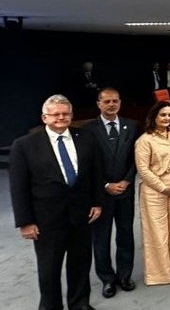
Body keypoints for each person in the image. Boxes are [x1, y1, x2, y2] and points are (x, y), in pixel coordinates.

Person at [10, 94, 102, 310]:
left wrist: (97, 202)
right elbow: (18, 186)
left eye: (65, 113)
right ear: (45, 117)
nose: (61, 117)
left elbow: (95, 174)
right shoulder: (25, 145)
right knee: (49, 269)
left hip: (81, 215)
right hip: (46, 220)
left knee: (80, 264)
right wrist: (25, 222)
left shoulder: (86, 137)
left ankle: (80, 304)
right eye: (56, 114)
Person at [85, 88, 139, 298]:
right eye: (106, 101)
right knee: (101, 238)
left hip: (125, 191)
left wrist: (126, 180)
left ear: (120, 102)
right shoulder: (88, 130)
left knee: (126, 234)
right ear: (98, 104)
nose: (111, 105)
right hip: (101, 194)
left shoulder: (132, 126)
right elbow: (86, 164)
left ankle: (124, 275)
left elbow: (137, 158)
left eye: (115, 101)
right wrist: (105, 184)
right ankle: (107, 279)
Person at [134, 101, 170, 285]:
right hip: (155, 189)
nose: (167, 118)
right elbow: (143, 169)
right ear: (154, 117)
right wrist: (162, 187)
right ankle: (159, 274)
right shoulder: (144, 140)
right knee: (157, 232)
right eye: (163, 115)